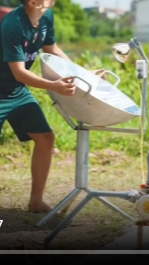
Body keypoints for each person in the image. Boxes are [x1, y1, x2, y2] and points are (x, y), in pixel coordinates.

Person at [0, 0, 105, 213]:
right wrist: (53, 86)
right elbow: (20, 72)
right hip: (8, 86)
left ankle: (36, 202)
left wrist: (81, 73)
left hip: (16, 90)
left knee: (45, 138)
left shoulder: (46, 16)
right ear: (33, 1)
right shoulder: (12, 25)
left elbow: (51, 48)